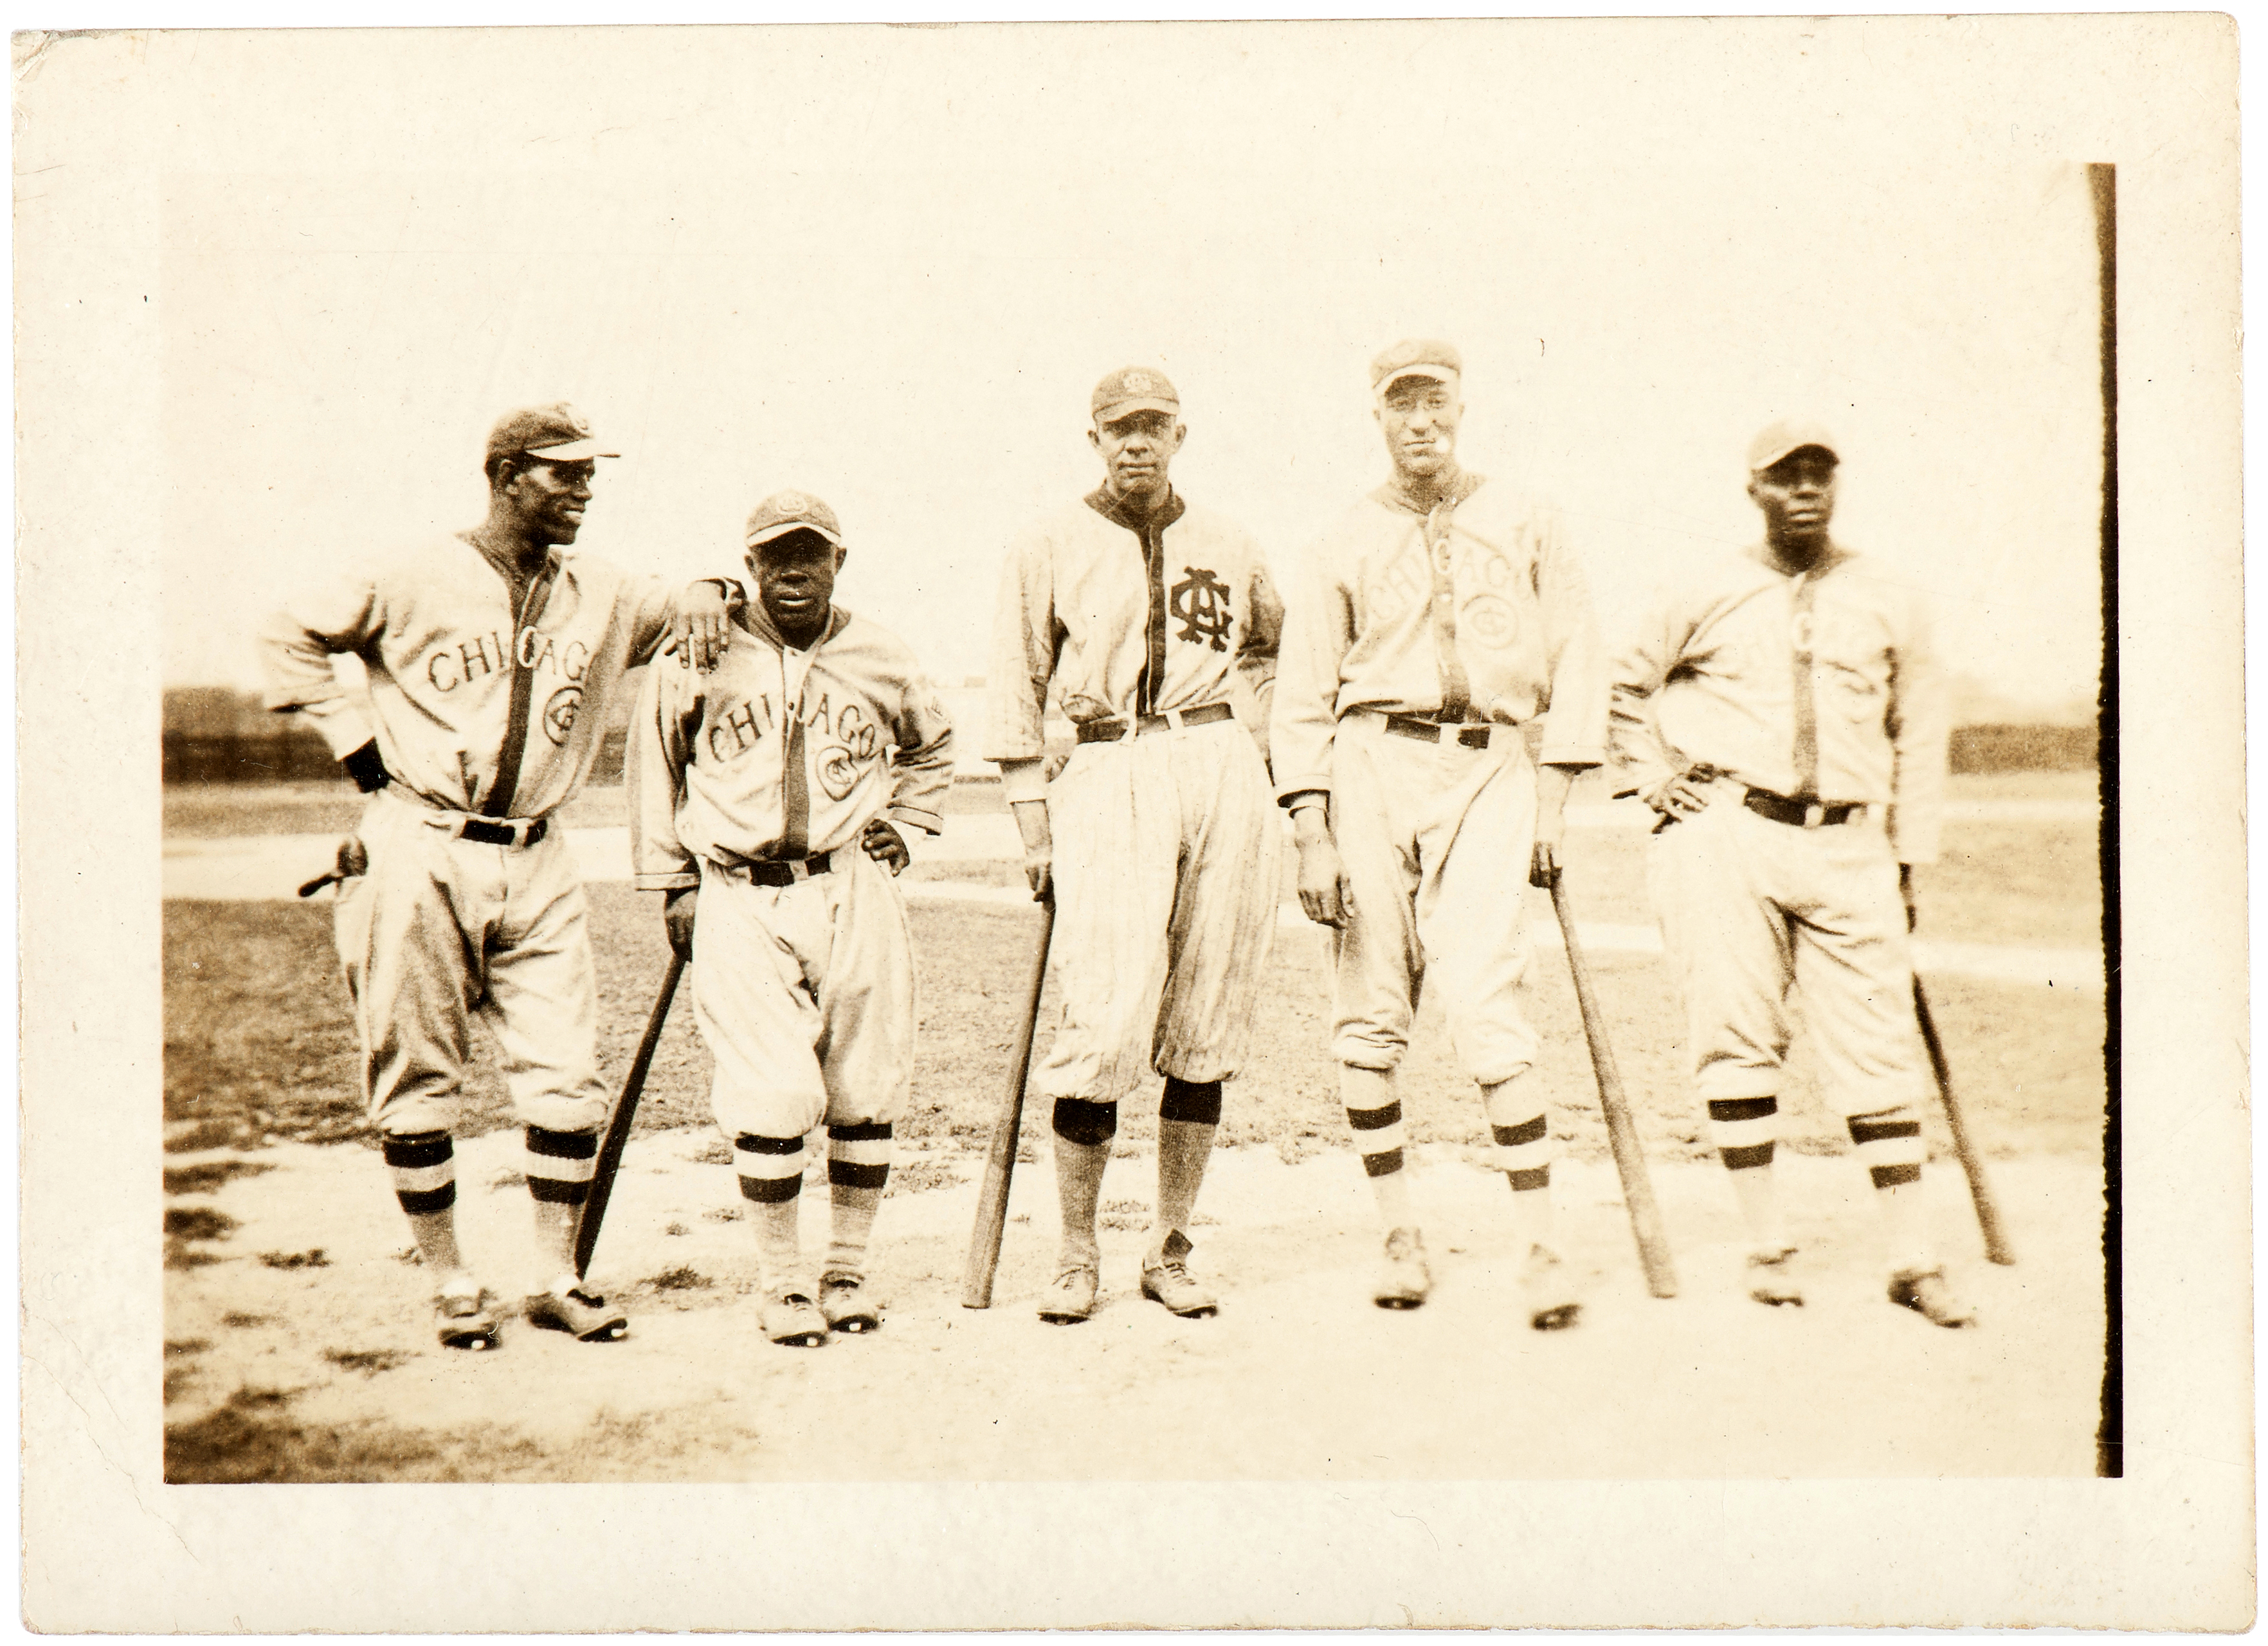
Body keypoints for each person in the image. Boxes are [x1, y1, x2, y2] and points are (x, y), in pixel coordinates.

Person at [259, 402, 737, 1350]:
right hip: (420, 841)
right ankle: (450, 1283)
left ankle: (556, 1277)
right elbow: (287, 633)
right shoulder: (410, 573)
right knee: (417, 1076)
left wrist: (713, 583)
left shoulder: (599, 587)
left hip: (540, 852)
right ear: (508, 473)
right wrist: (356, 745)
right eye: (566, 474)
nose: (585, 490)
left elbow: (691, 600)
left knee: (565, 1078)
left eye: (591, 473)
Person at [1607, 418, 1972, 1326]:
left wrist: (1912, 854)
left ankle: (1911, 1256)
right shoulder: (1705, 586)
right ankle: (1767, 1245)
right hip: (1730, 830)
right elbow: (1619, 687)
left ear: (1838, 486)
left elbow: (1920, 735)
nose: (1804, 489)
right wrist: (1652, 777)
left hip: (1852, 840)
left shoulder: (1891, 595)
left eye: (1819, 474)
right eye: (1785, 476)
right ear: (1754, 490)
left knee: (1876, 1040)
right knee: (1735, 1034)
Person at [1271, 339, 1608, 1323]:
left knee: (1485, 996)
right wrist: (1311, 828)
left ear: (1463, 407)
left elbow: (1579, 655)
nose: (1421, 420)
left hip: (1491, 765)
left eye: (1437, 402)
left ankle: (1543, 1247)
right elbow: (1300, 698)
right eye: (1401, 404)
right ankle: (1398, 1233)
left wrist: (1554, 800)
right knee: (1371, 1010)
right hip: (1371, 761)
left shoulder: (1528, 517)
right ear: (1376, 415)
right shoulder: (1339, 539)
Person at [987, 366, 1284, 1324]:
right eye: (1119, 428)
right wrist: (1033, 825)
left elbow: (1277, 646)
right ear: (1094, 439)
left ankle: (1170, 1245)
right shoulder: (1048, 542)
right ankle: (1078, 1254)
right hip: (1110, 767)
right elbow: (1015, 687)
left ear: (1181, 435)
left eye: (1154, 426)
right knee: (1107, 1020)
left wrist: (1264, 745)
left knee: (1205, 1017)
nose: (1137, 443)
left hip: (1217, 757)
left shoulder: (1231, 542)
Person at [630, 490, 955, 1347]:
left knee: (865, 1085)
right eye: (775, 556)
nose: (794, 570)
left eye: (811, 553)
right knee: (773, 1093)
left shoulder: (883, 652)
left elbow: (934, 744)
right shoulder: (698, 649)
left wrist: (907, 823)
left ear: (840, 561)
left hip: (852, 884)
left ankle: (845, 1272)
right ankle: (783, 1285)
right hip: (737, 887)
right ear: (749, 566)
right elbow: (656, 768)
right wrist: (674, 882)